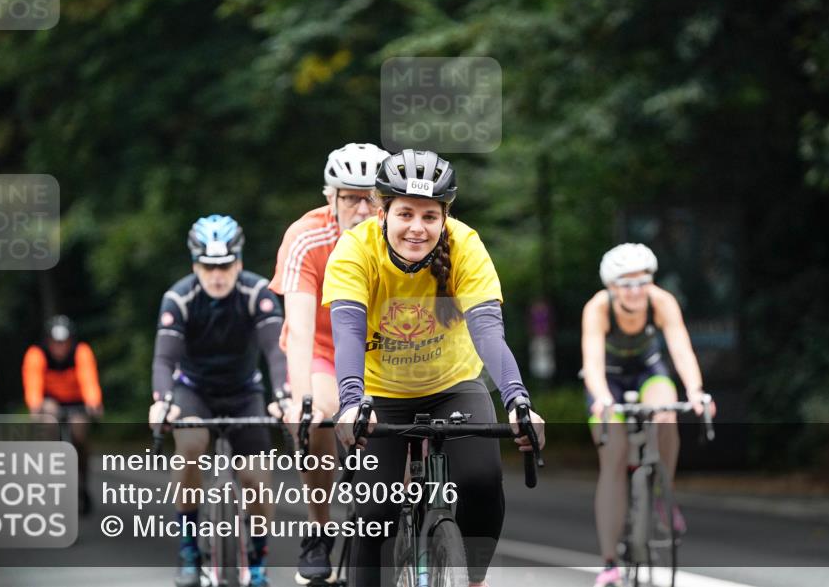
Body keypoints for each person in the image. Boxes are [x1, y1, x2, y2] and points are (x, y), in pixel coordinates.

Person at [323, 149, 546, 587]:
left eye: (430, 216)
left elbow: (487, 331)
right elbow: (347, 333)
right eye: (405, 213)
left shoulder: (466, 245)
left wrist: (519, 401)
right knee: (376, 513)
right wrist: (351, 403)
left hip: (453, 385)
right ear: (381, 211)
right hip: (380, 392)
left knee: (481, 480)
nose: (417, 228)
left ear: (445, 217)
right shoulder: (354, 250)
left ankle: (472, 578)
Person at [268, 142, 389, 584]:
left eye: (372, 196)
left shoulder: (401, 235)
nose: (362, 207)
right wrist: (302, 400)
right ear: (330, 197)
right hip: (322, 349)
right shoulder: (307, 238)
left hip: (384, 351)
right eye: (350, 196)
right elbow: (298, 329)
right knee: (319, 418)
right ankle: (319, 530)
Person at [147, 214, 288, 587]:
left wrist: (284, 395)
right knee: (189, 445)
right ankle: (189, 547)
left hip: (245, 392)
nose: (217, 275)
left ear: (239, 262)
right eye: (208, 267)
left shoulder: (257, 293)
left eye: (225, 265)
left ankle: (258, 559)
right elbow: (164, 359)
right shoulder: (179, 297)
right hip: (194, 390)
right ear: (196, 265)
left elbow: (276, 350)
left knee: (256, 478)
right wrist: (162, 401)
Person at [581, 243, 715, 587]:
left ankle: (661, 493)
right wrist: (601, 398)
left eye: (643, 281)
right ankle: (610, 561)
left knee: (666, 411)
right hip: (607, 378)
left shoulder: (661, 301)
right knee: (614, 456)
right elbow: (593, 363)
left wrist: (696, 392)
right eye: (627, 283)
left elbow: (681, 350)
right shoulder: (597, 308)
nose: (636, 290)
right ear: (612, 287)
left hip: (648, 372)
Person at [22, 314, 103, 514]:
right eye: (56, 343)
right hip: (51, 402)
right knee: (49, 423)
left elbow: (89, 379)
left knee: (79, 432)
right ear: (48, 341)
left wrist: (93, 402)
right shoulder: (36, 354)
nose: (60, 348)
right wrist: (35, 405)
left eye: (64, 342)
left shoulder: (81, 352)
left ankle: (82, 481)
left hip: (76, 402)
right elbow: (33, 382)